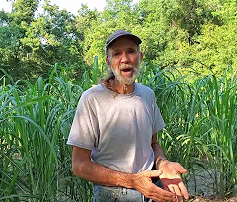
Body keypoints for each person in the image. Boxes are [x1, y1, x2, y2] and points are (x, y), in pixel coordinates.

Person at [67, 30, 189, 202]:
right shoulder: (92, 99)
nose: (125, 59)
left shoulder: (147, 95)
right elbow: (79, 165)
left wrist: (162, 163)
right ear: (108, 63)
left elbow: (153, 144)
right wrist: (132, 181)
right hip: (113, 194)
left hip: (153, 189)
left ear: (140, 56)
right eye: (117, 54)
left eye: (131, 51)